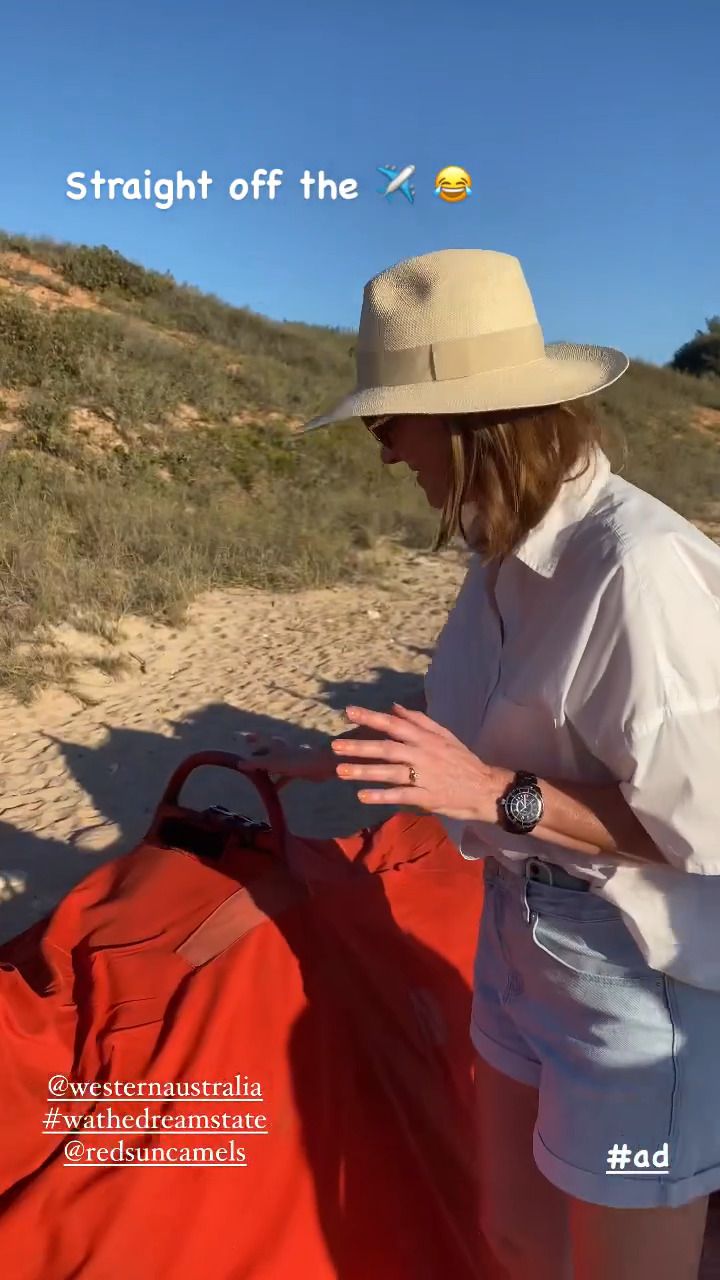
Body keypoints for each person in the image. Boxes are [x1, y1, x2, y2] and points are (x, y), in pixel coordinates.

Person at [245, 249, 720, 1279]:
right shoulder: (503, 552)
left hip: (635, 972)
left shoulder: (638, 567)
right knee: (514, 1236)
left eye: (387, 427)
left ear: (470, 423)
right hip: (515, 932)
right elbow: (493, 734)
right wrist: (347, 758)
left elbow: (706, 826)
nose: (384, 456)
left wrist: (495, 796)